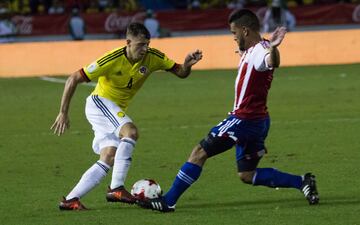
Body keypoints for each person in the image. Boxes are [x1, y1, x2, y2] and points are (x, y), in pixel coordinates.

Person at [137, 9, 319, 213]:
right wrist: (252, 52)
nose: (233, 37)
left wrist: (275, 49)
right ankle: (302, 181)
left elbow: (271, 62)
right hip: (259, 121)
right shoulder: (254, 49)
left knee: (199, 152)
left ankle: (168, 201)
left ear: (245, 30)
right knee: (247, 174)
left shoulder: (261, 50)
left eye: (234, 33)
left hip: (243, 120)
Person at [51, 22, 203, 210]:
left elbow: (180, 72)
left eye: (147, 44)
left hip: (111, 110)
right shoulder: (112, 58)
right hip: (99, 103)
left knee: (108, 156)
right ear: (128, 42)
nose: (145, 49)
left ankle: (70, 200)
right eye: (140, 45)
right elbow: (73, 78)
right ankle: (116, 188)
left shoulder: (153, 57)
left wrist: (187, 64)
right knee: (130, 132)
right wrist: (63, 112)